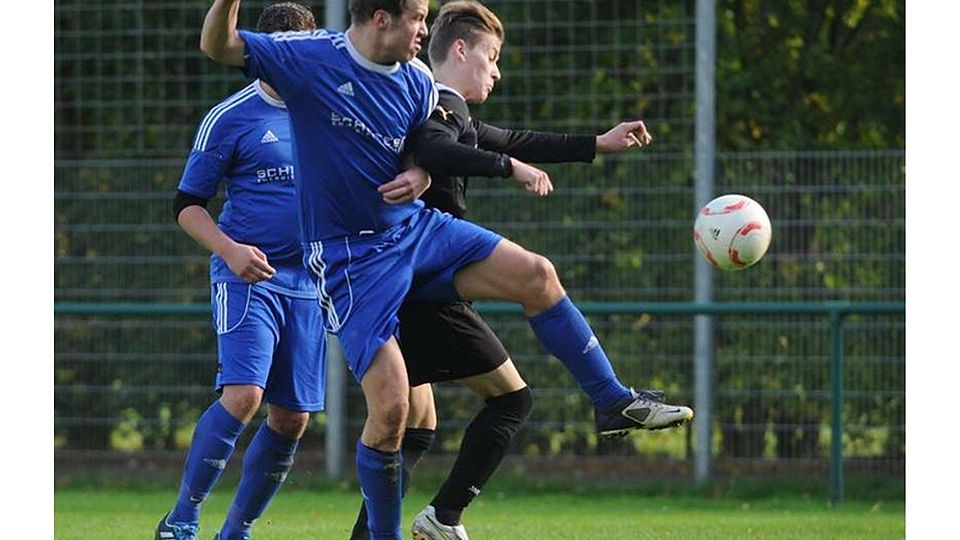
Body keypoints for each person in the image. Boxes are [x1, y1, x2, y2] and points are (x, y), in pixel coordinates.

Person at [198, 1, 692, 538]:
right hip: (351, 260)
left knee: (537, 274)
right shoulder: (311, 58)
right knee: (392, 413)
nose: (424, 30)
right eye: (416, 17)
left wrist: (417, 173)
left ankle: (612, 400)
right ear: (381, 18)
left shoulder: (415, 79)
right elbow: (218, 46)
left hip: (416, 231)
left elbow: (434, 142)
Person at [345, 2, 689, 539]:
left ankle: (427, 520)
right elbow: (436, 145)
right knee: (533, 290)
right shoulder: (439, 103)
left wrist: (598, 142)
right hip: (410, 278)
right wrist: (506, 169)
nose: (497, 70)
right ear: (460, 51)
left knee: (419, 421)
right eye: (492, 56)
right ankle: (610, 400)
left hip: (412, 278)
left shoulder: (444, 107)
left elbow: (514, 140)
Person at [156, 4, 424, 539]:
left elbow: (409, 148)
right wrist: (231, 251)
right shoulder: (230, 117)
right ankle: (181, 521)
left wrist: (419, 172)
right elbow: (187, 205)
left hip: (314, 281)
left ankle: (236, 531)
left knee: (292, 419)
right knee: (244, 396)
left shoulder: (330, 108)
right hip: (248, 277)